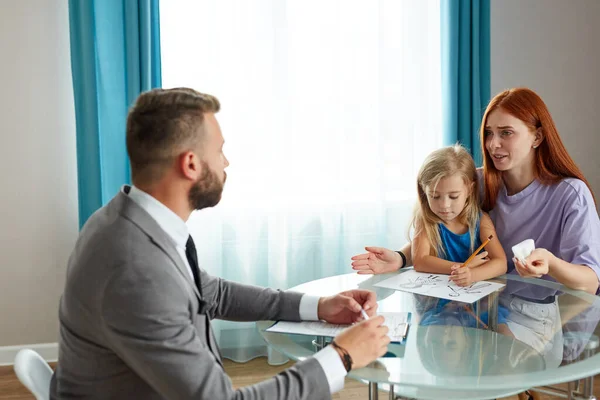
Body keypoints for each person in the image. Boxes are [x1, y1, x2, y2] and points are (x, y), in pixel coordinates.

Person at [50, 88, 391, 400]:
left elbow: (212, 293)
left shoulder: (128, 218)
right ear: (191, 164)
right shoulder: (135, 269)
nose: (226, 163)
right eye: (220, 151)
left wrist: (319, 306)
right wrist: (342, 356)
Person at [351, 87, 600, 297]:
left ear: (537, 137)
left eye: (506, 133)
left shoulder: (571, 194)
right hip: (487, 309)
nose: (493, 144)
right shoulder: (477, 182)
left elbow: (590, 281)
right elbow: (440, 225)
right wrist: (401, 258)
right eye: (489, 133)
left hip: (549, 322)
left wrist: (550, 262)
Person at [408, 144, 507, 287]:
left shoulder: (480, 220)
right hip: (438, 298)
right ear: (424, 191)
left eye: (453, 196)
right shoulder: (426, 219)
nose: (444, 205)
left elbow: (500, 263)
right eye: (435, 196)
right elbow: (420, 261)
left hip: (476, 300)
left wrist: (471, 275)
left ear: (469, 190)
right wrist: (461, 267)